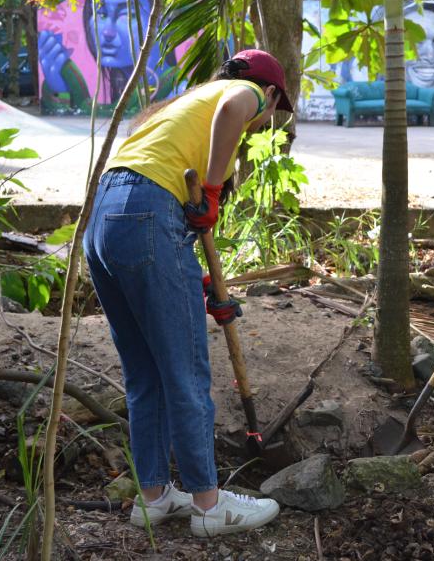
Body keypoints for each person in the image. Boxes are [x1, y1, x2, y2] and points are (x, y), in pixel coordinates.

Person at [83, 49, 294, 536]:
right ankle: (208, 504)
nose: (265, 123)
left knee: (144, 372)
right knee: (187, 370)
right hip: (147, 213)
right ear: (272, 94)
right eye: (273, 115)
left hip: (105, 220)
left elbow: (147, 206)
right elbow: (232, 113)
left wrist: (191, 273)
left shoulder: (181, 106)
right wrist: (215, 189)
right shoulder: (242, 93)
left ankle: (153, 496)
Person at [39, 0, 180, 114]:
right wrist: (58, 87)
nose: (107, 32)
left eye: (127, 15)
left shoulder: (179, 92)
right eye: (102, 14)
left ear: (160, 21)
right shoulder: (124, 91)